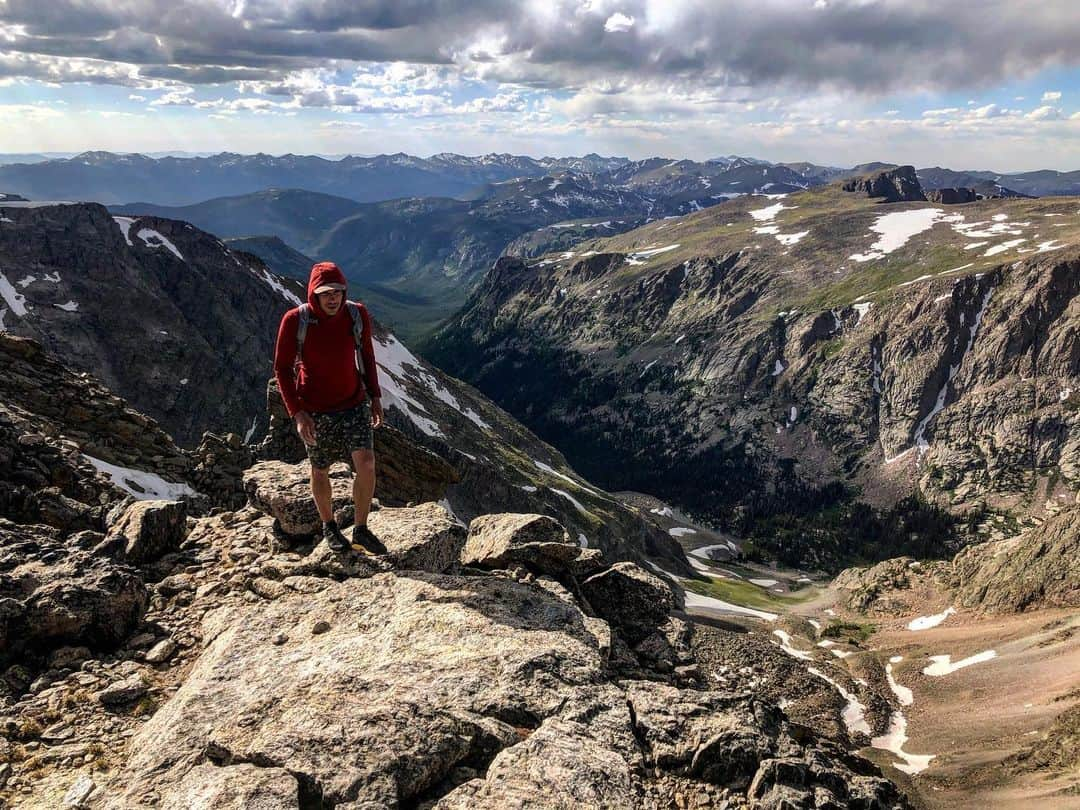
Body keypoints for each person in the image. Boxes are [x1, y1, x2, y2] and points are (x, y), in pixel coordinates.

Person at [272, 261, 387, 555]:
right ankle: (329, 526)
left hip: (353, 402)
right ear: (314, 294)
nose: (333, 297)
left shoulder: (356, 314)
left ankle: (360, 529)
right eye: (326, 293)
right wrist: (297, 413)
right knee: (320, 468)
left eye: (337, 291)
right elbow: (282, 369)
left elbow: (367, 356)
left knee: (366, 463)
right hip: (315, 409)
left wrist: (374, 397)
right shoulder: (295, 320)